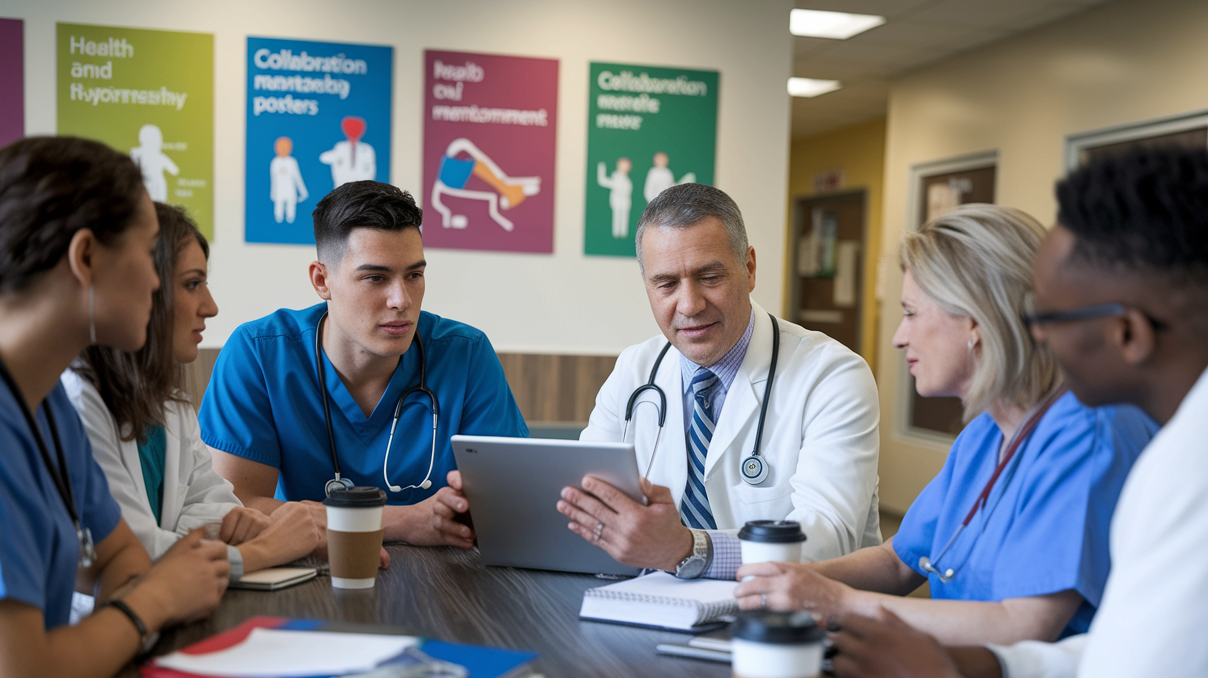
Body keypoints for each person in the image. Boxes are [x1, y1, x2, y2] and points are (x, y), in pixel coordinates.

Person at [828, 146, 1208, 678]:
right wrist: (999, 668)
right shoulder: (1179, 447)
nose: (1034, 339)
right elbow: (1133, 654)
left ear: (1129, 334)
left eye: (1049, 320)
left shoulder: (1171, 466)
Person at [0, 136, 228, 678]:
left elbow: (120, 557)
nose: (156, 281)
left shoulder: (33, 396)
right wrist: (151, 602)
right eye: (146, 256)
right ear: (86, 256)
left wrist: (139, 598)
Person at [732, 205, 1157, 646]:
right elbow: (898, 562)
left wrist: (840, 601)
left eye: (911, 313)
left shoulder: (1087, 435)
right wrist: (788, 580)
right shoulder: (986, 434)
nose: (899, 337)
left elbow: (1024, 625)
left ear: (975, 319)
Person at [433, 183, 881, 575]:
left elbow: (830, 540)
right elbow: (587, 501)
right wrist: (504, 512)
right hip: (658, 606)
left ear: (749, 268)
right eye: (666, 284)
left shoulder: (832, 376)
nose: (688, 304)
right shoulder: (636, 370)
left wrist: (690, 549)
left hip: (794, 625)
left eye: (709, 277)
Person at [199, 180, 527, 548]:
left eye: (414, 275)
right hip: (309, 579)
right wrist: (401, 521)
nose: (400, 300)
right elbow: (234, 509)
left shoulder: (465, 354)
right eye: (375, 278)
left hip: (446, 586)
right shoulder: (259, 353)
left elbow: (511, 505)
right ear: (322, 280)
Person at [63, 202, 364, 583]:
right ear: (137, 286)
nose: (211, 307)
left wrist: (245, 525)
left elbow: (211, 502)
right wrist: (266, 548)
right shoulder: (75, 403)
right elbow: (126, 556)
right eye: (192, 284)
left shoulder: (167, 401)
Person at [597, 157, 634, 238]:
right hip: (617, 202)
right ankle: (616, 234)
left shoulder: (627, 180)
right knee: (617, 218)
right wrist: (601, 169)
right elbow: (602, 181)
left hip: (625, 202)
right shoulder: (616, 178)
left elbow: (628, 190)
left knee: (624, 219)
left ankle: (623, 234)